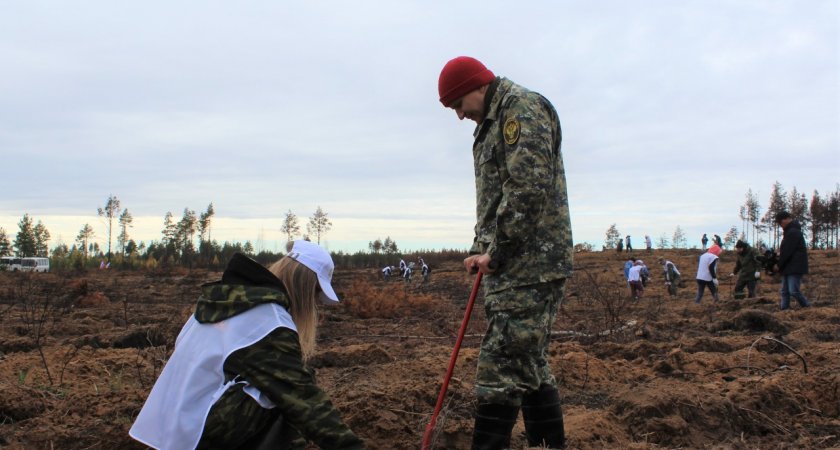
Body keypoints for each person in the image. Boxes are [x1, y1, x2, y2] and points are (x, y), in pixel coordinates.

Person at [438, 55, 571, 449]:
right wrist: (482, 248)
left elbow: (527, 187)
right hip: (513, 266)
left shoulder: (521, 109)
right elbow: (496, 197)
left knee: (499, 366)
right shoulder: (490, 124)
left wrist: (496, 251)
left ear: (477, 86)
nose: (460, 116)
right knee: (529, 364)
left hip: (532, 264)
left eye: (459, 105)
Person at [129, 241, 364, 449]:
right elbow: (305, 400)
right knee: (282, 395)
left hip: (167, 428)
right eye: (315, 295)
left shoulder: (227, 300)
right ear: (305, 287)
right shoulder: (269, 323)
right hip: (195, 439)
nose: (314, 304)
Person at [774, 211, 811, 310]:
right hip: (788, 266)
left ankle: (807, 307)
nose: (780, 225)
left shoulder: (793, 232)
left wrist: (779, 264)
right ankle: (784, 310)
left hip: (795, 266)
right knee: (784, 291)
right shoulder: (789, 232)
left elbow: (787, 251)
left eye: (781, 222)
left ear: (786, 219)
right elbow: (786, 250)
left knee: (793, 291)